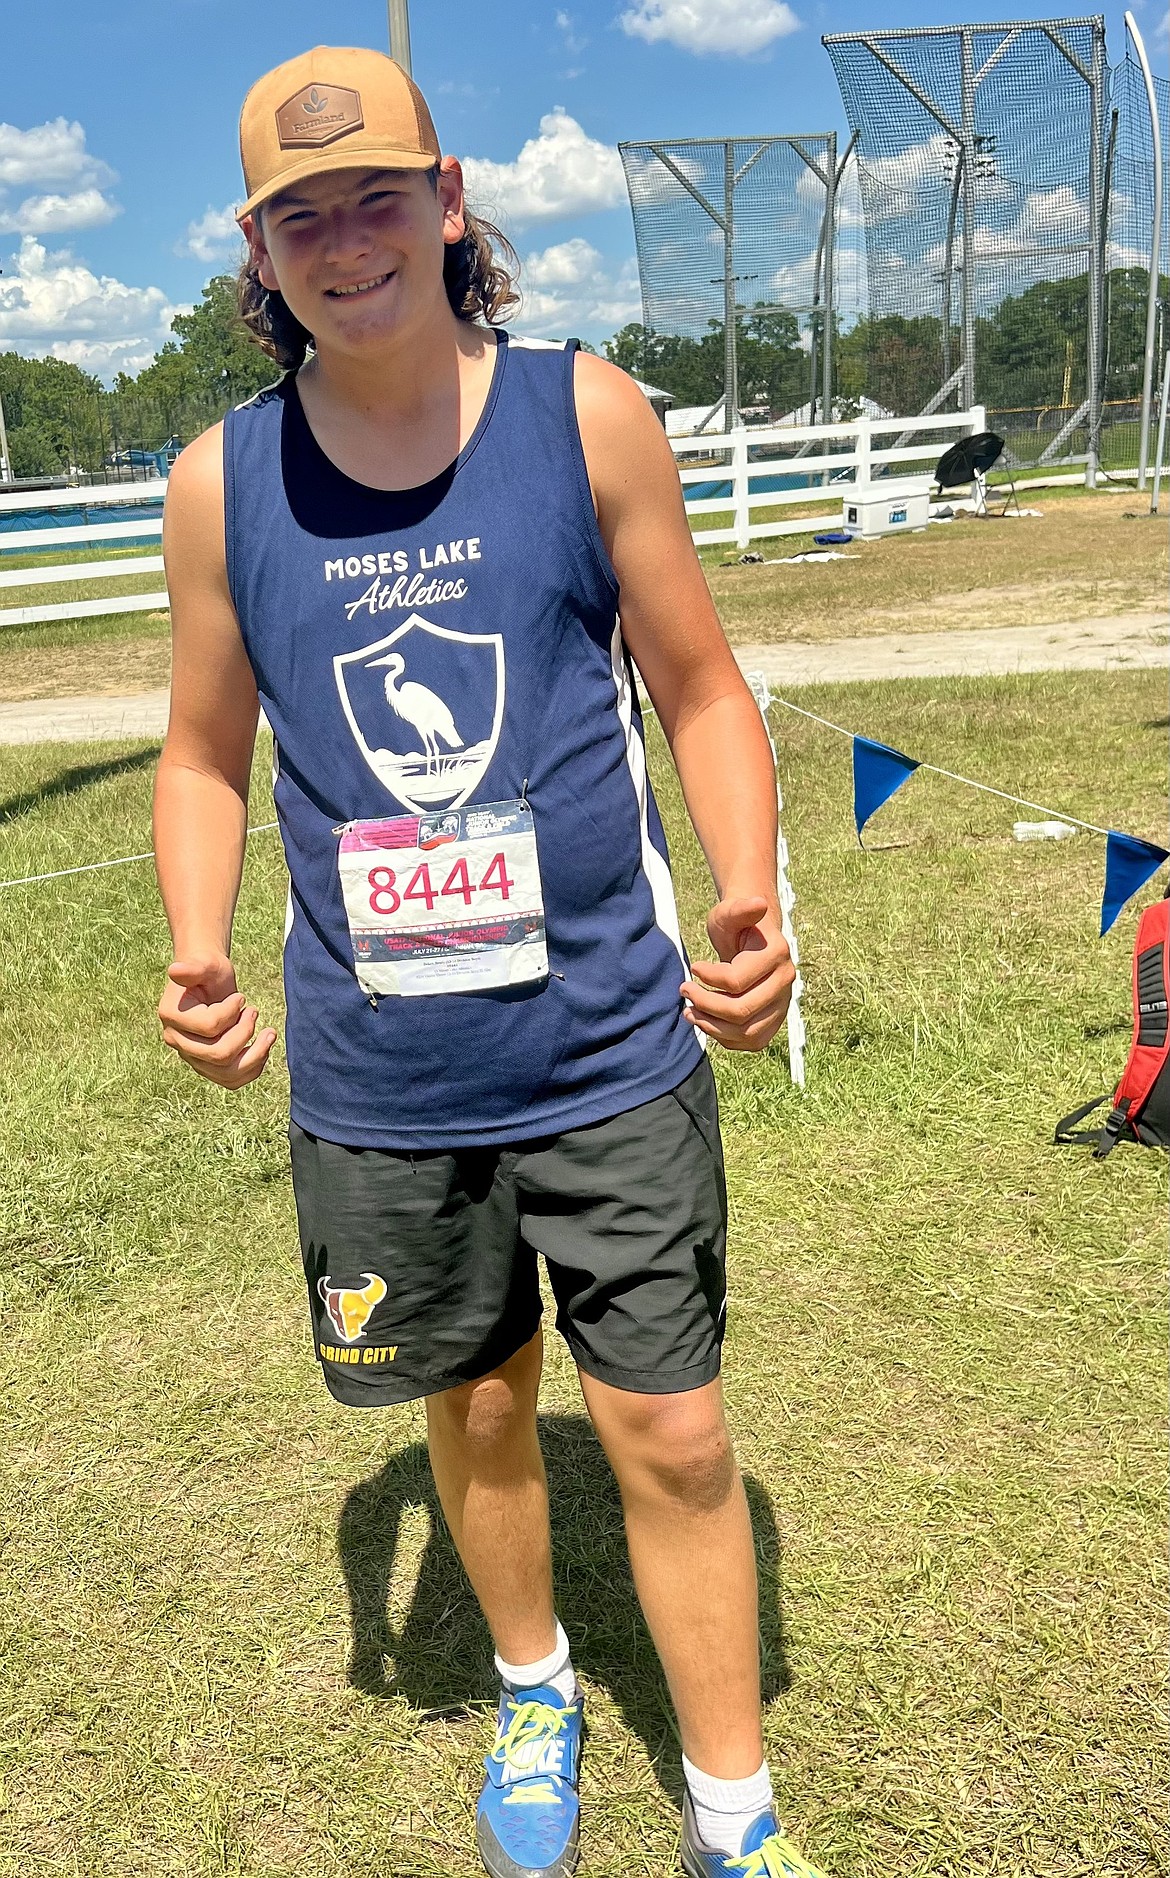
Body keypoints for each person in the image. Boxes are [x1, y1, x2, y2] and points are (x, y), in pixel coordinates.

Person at [154, 44, 823, 1878]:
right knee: (470, 1394)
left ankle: (733, 1818)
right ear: (259, 248)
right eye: (305, 213)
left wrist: (747, 895)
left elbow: (695, 682)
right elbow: (206, 748)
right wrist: (200, 945)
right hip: (385, 1078)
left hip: (607, 1041)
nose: (346, 237)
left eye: (377, 193)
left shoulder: (582, 414)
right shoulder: (221, 484)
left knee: (674, 1432)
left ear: (447, 202)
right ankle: (533, 1682)